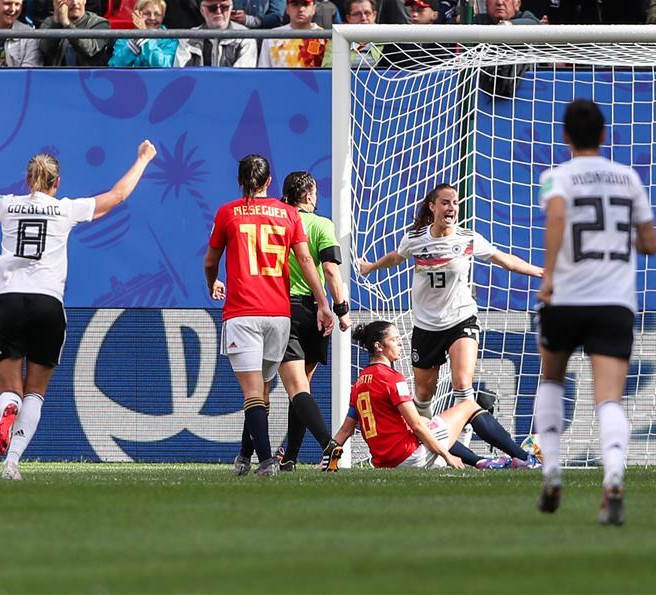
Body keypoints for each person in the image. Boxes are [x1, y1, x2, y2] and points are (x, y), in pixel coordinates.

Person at [0, 140, 158, 480]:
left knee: (10, 390)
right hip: (47, 303)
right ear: (56, 183)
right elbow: (117, 196)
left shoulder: (6, 205)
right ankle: (12, 463)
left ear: (27, 180)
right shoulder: (66, 209)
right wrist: (142, 159)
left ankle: (8, 406)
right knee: (35, 392)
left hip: (9, 300)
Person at [533, 98, 656, 525]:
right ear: (604, 135)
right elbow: (650, 242)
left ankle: (551, 471)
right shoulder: (628, 177)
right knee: (609, 399)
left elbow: (556, 219)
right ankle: (615, 476)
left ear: (565, 136)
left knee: (551, 378)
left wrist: (548, 277)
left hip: (565, 297)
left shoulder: (555, 177)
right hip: (614, 303)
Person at [359, 183, 542, 464]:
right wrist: (370, 267)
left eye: (455, 203)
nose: (451, 208)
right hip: (426, 325)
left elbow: (505, 261)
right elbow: (397, 257)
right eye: (445, 203)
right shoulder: (416, 240)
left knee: (462, 384)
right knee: (423, 394)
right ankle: (435, 450)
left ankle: (474, 450)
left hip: (461, 319)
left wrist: (541, 272)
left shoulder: (467, 238)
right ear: (432, 207)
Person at [204, 155, 333, 477]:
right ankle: (246, 457)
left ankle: (265, 461)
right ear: (269, 181)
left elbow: (210, 261)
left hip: (243, 312)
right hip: (279, 314)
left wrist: (213, 284)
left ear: (239, 180)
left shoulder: (227, 213)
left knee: (253, 395)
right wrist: (323, 303)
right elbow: (305, 261)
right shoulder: (288, 214)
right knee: (265, 390)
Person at [331, 321, 537, 469]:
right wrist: (447, 456)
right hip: (408, 457)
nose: (400, 344)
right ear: (379, 346)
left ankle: (481, 462)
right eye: (394, 340)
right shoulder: (392, 378)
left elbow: (345, 430)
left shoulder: (359, 382)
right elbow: (417, 427)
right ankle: (525, 459)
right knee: (468, 406)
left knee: (429, 422)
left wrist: (329, 460)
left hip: (384, 463)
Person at [265, 172, 351, 472]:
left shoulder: (275, 219)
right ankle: (290, 457)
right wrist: (341, 309)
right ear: (310, 195)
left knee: (295, 388)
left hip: (280, 306)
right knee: (303, 388)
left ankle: (328, 444)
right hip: (314, 310)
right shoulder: (322, 224)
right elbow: (330, 270)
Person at [176, 0, 258, 67]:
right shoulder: (187, 38)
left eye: (224, 7)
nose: (218, 12)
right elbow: (181, 75)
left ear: (231, 8)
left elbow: (241, 78)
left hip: (231, 86)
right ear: (202, 11)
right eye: (212, 8)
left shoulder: (246, 37)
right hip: (198, 86)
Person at [257, 0, 328, 68]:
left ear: (314, 9)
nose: (300, 9)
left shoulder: (325, 39)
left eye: (305, 4)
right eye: (295, 4)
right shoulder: (271, 37)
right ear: (287, 9)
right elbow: (263, 74)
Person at [39, 0, 111, 67]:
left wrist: (67, 24)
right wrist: (56, 24)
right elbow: (45, 50)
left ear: (85, 1)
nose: (75, 3)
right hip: (57, 77)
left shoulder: (99, 23)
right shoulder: (49, 22)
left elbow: (89, 50)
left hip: (88, 78)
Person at [109, 0, 179, 68]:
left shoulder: (171, 40)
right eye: (147, 13)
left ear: (163, 16)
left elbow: (163, 66)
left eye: (157, 14)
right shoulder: (123, 39)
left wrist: (145, 37)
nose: (152, 18)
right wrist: (132, 46)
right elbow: (114, 66)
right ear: (136, 15)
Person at [321, 0, 382, 69]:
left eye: (367, 13)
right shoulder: (337, 41)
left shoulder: (388, 38)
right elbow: (327, 70)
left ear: (374, 15)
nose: (363, 18)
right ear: (348, 18)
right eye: (357, 14)